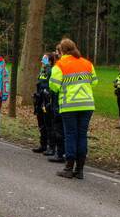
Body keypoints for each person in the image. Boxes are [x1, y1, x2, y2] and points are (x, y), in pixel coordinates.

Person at [49, 38, 98, 179]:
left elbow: (54, 86)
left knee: (70, 135)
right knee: (82, 136)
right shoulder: (87, 63)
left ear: (62, 51)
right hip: (87, 105)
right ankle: (80, 169)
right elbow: (94, 82)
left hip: (69, 105)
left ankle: (69, 168)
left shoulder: (60, 65)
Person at [32, 52, 53, 154]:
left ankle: (50, 146)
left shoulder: (51, 70)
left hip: (46, 99)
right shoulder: (42, 71)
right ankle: (43, 144)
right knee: (41, 122)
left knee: (47, 122)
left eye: (45, 59)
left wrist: (48, 66)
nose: (42, 61)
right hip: (40, 99)